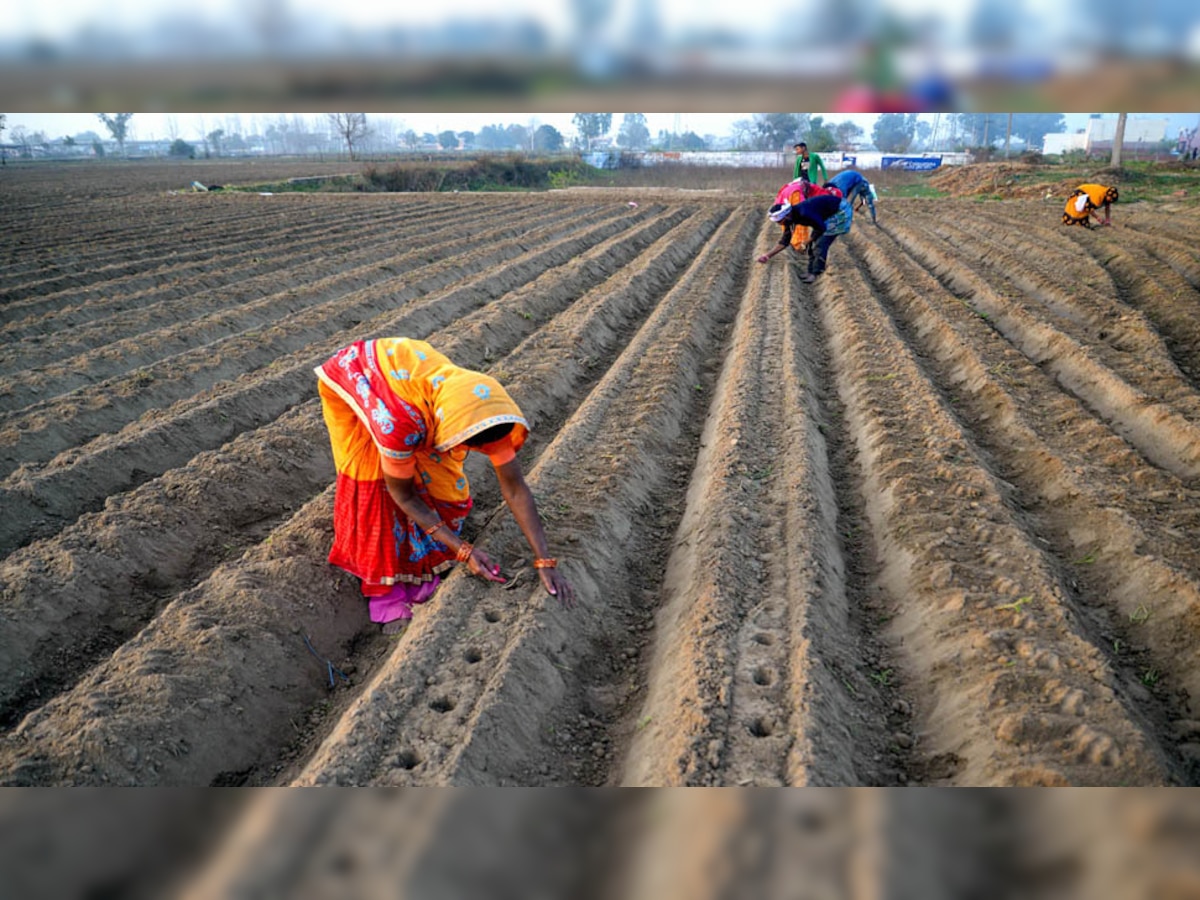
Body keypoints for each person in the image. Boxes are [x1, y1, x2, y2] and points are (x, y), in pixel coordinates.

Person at [315, 337, 575, 633]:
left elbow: (515, 488)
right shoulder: (397, 425)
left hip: (411, 386)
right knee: (378, 488)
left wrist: (544, 559)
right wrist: (463, 551)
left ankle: (419, 565)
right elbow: (405, 495)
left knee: (438, 480)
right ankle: (387, 594)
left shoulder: (485, 408)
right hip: (360, 379)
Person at [756, 190, 852, 283]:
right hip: (826, 214)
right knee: (811, 243)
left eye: (779, 221)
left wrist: (807, 241)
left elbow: (821, 228)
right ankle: (810, 271)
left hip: (840, 211)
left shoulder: (804, 213)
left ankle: (816, 273)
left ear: (787, 215)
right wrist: (767, 256)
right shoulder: (789, 218)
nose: (779, 224)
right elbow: (785, 241)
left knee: (821, 243)